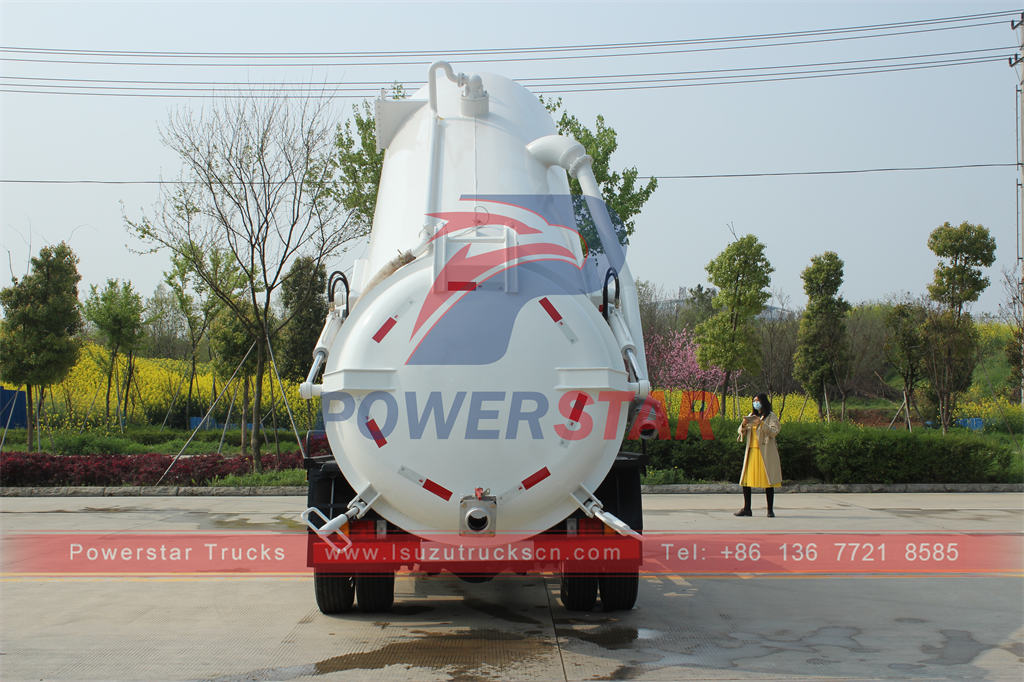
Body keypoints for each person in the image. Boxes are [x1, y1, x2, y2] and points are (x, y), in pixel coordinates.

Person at [734, 393, 782, 517]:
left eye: (758, 401)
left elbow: (774, 432)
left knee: (768, 481)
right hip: (752, 452)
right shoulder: (751, 415)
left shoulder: (771, 416)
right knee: (746, 481)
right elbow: (741, 431)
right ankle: (747, 508)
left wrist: (760, 423)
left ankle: (770, 510)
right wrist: (744, 424)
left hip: (765, 453)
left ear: (763, 402)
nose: (756, 403)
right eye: (754, 401)